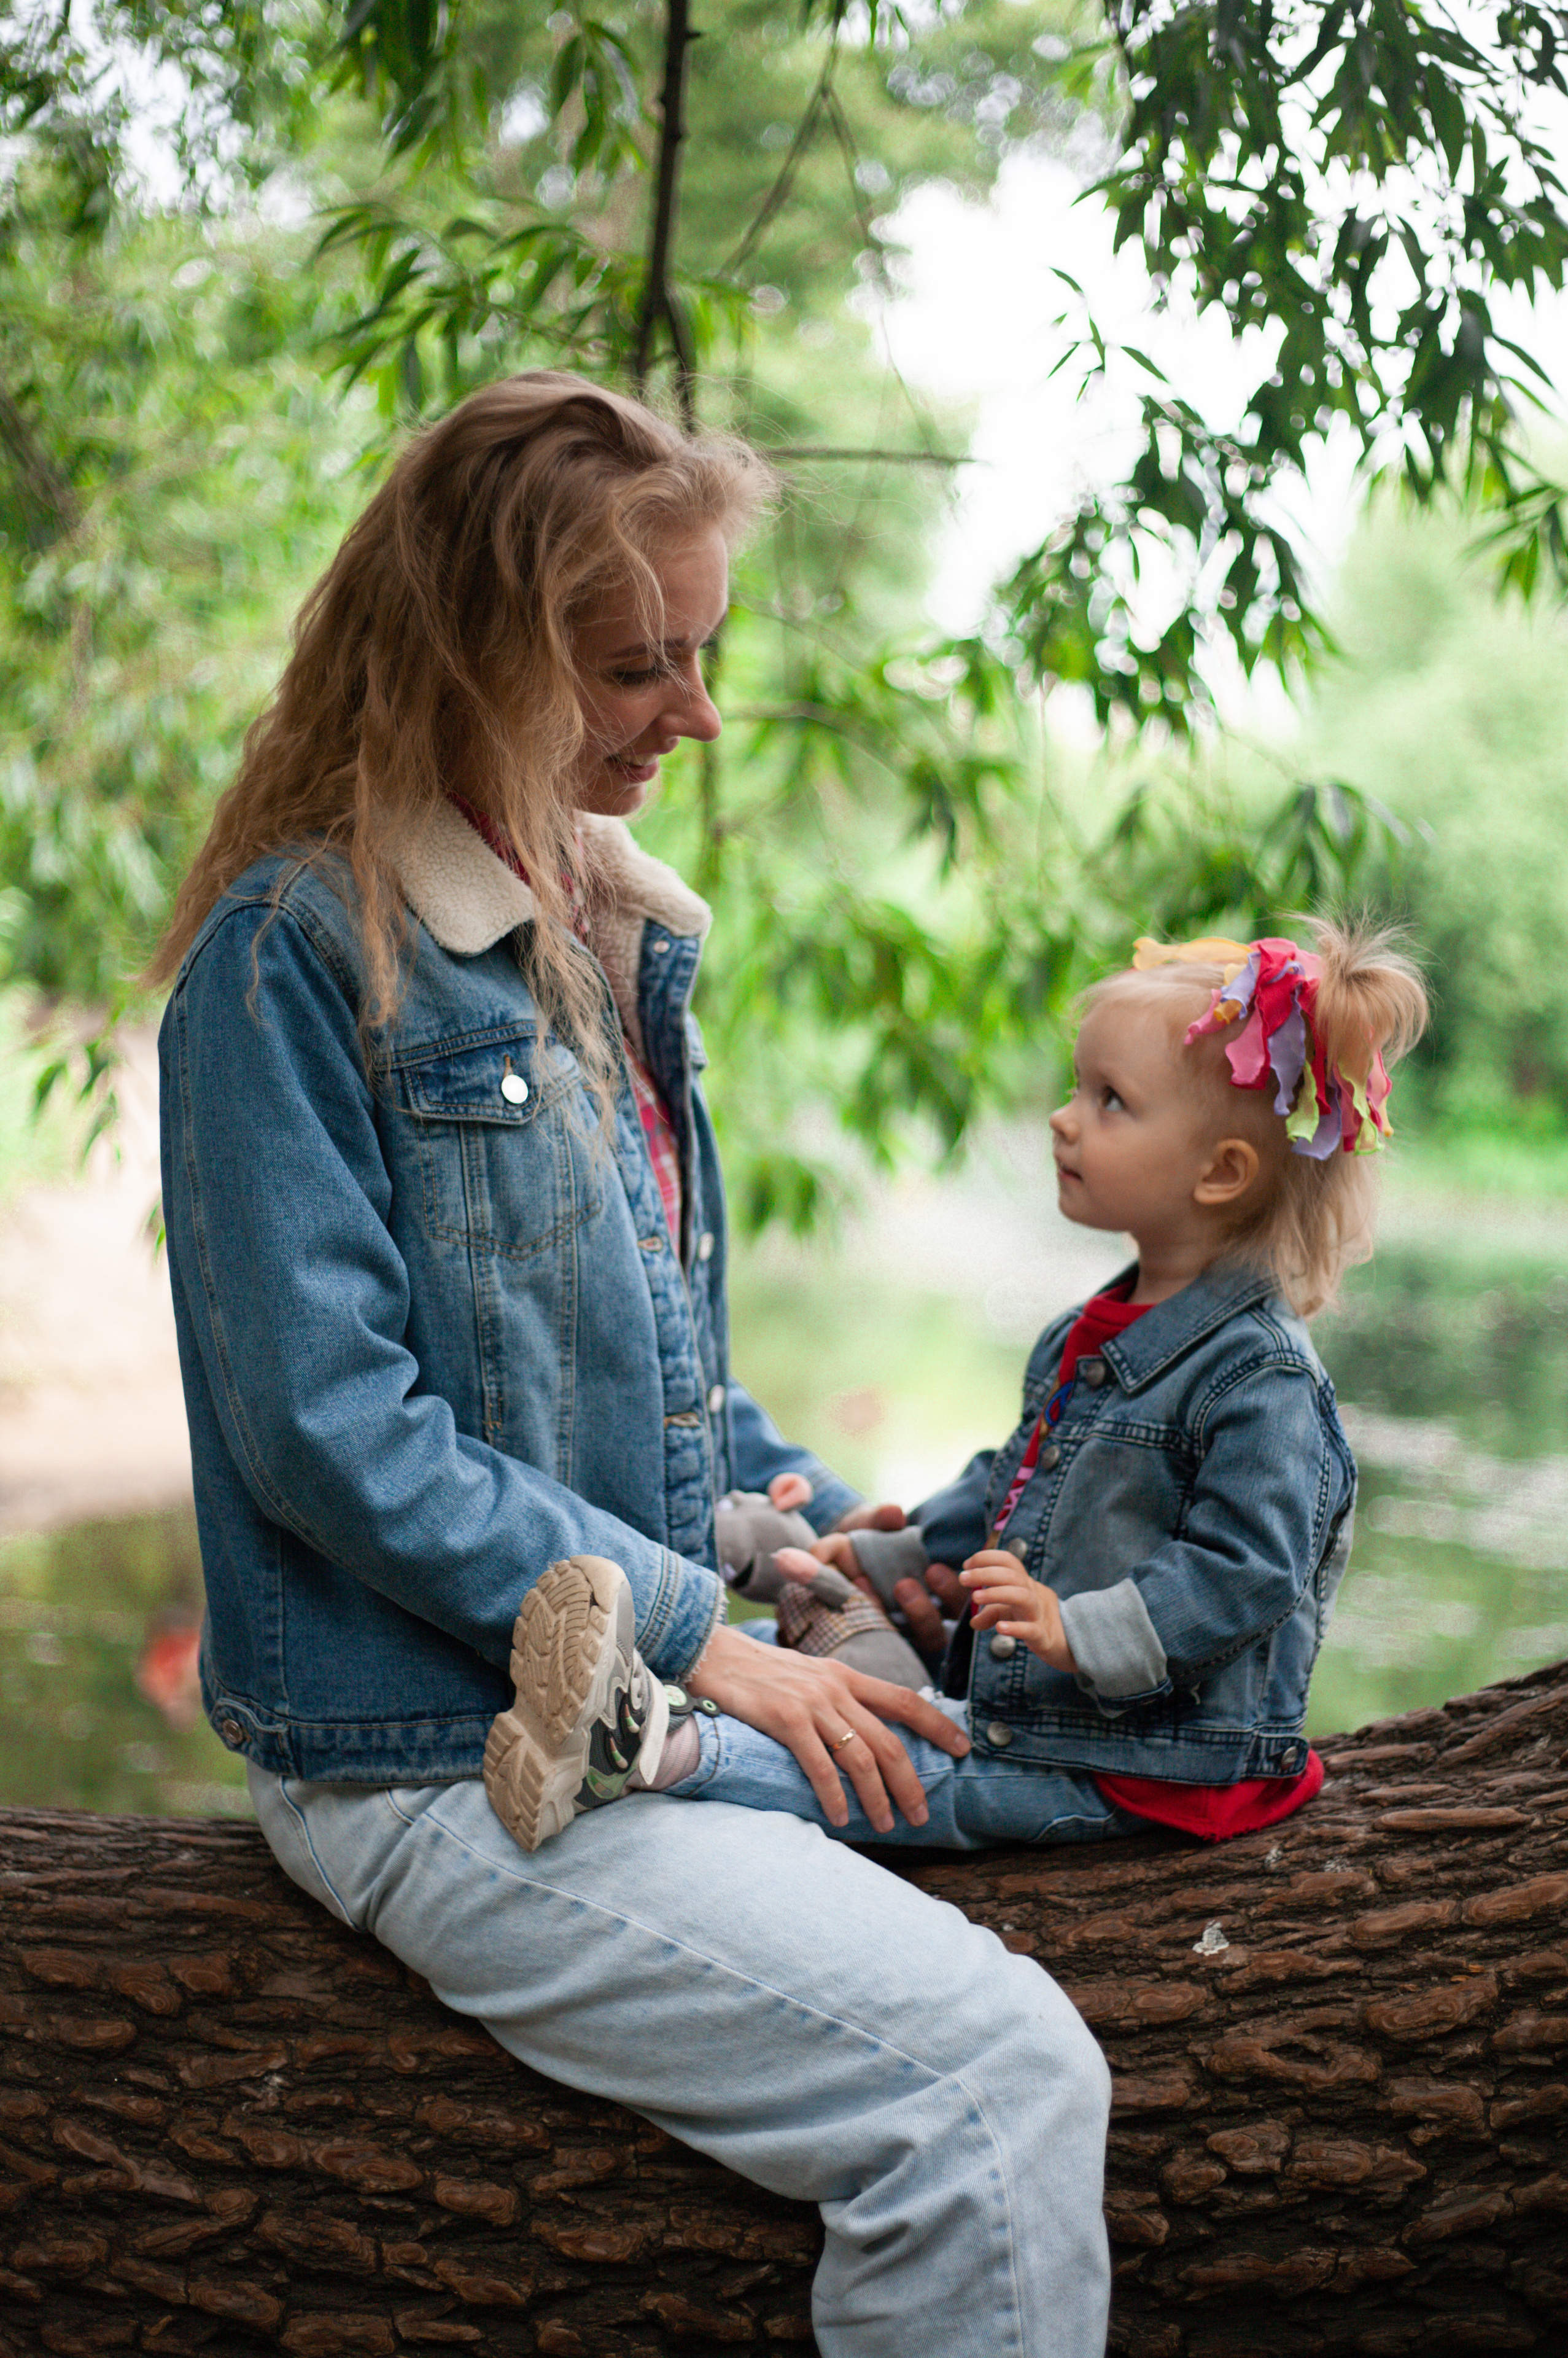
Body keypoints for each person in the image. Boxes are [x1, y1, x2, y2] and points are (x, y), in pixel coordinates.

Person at [150, 369, 1113, 2358]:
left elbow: (657, 1379)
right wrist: (701, 1635)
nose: (698, 714)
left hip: (634, 1708)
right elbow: (336, 1435)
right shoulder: (296, 958)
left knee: (1071, 1756)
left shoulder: (598, 939)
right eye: (632, 666)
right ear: (474, 658)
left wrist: (812, 1537)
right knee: (995, 2086)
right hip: (436, 1755)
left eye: (706, 650)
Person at [489, 923, 1427, 1855]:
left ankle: (655, 1752)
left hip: (1146, 1765)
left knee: (903, 1770)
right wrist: (897, 1551)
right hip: (1044, 1711)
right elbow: (1019, 1482)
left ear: (1221, 1173)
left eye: (1110, 1102)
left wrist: (1072, 1627)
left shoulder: (1262, 1377)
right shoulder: (1099, 1328)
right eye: (1075, 1088)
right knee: (826, 1653)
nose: (1063, 1118)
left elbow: (1250, 1573)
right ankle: (638, 1684)